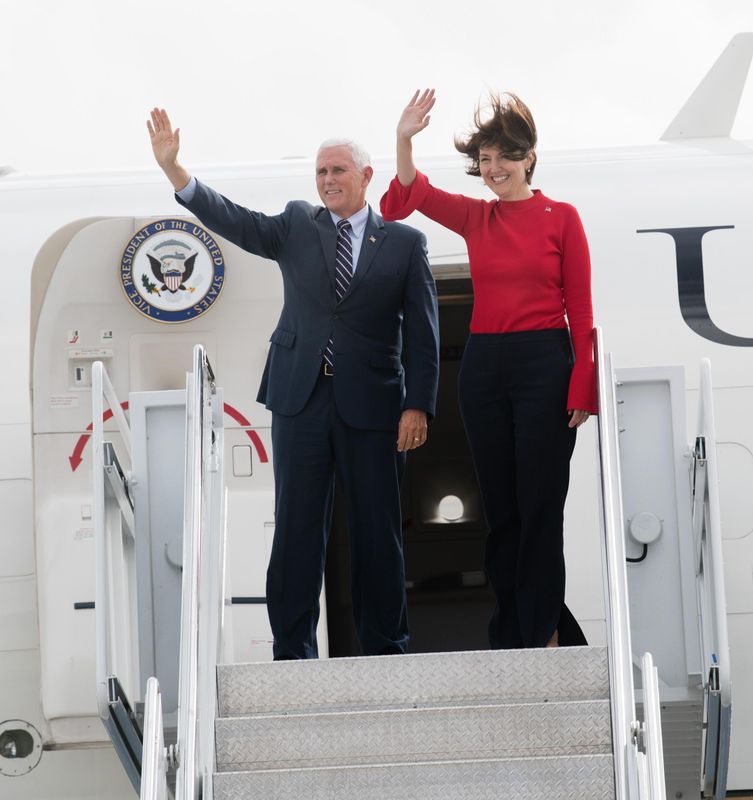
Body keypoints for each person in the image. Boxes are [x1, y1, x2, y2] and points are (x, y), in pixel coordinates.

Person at [146, 108, 439, 660]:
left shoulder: (404, 243)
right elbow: (236, 220)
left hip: (374, 407)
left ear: (366, 176)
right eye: (321, 172)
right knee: (298, 529)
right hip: (300, 400)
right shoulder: (297, 223)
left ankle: (386, 650)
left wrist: (417, 405)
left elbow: (424, 334)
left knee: (378, 533)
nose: (327, 181)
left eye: (338, 171)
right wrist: (176, 171)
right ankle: (293, 651)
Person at [382, 89, 597, 649]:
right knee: (501, 510)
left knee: (541, 504)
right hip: (484, 368)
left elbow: (582, 308)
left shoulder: (562, 217)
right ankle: (513, 630)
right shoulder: (478, 218)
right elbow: (408, 197)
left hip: (546, 364)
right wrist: (404, 140)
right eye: (483, 161)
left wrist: (583, 384)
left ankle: (545, 629)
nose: (493, 168)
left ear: (528, 156)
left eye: (503, 157)